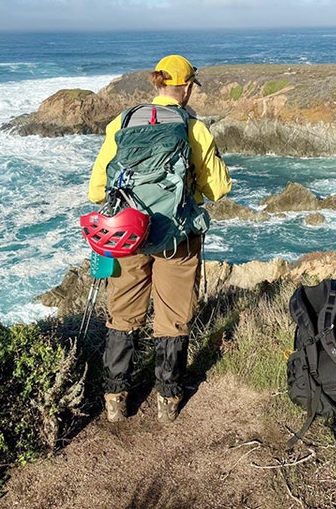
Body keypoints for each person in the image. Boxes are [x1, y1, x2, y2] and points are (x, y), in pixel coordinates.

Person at [87, 55, 232, 423]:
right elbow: (219, 188)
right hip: (176, 238)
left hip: (128, 234)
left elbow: (96, 190)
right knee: (173, 317)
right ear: (185, 88)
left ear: (157, 84)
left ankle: (116, 398)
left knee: (123, 315)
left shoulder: (123, 122)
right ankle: (168, 400)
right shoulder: (192, 127)